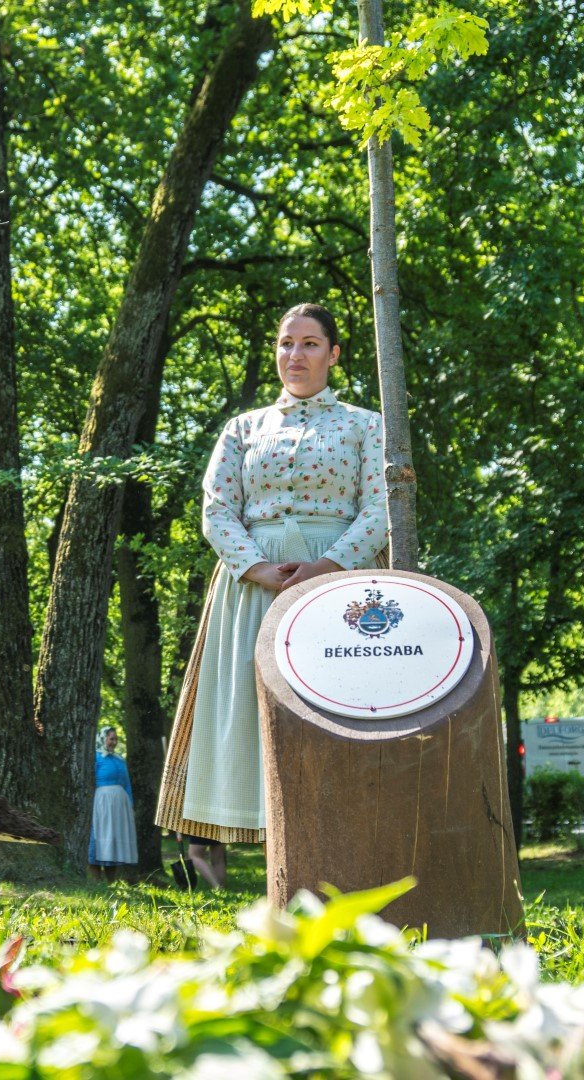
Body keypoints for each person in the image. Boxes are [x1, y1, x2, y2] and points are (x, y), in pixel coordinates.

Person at [156, 303, 388, 848]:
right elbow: (216, 508)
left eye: (309, 344)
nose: (295, 355)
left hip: (339, 586)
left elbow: (380, 508)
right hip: (253, 588)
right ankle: (270, 844)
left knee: (335, 700)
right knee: (255, 702)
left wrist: (326, 566)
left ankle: (342, 838)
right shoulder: (244, 427)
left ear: (333, 354)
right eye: (286, 343)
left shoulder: (365, 425)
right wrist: (259, 568)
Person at [88, 727, 137, 881]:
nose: (114, 742)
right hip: (101, 805)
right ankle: (96, 882)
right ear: (103, 739)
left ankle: (111, 882)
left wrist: (130, 804)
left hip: (119, 808)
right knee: (100, 838)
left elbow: (127, 784)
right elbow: (89, 781)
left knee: (113, 840)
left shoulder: (119, 760)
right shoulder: (96, 758)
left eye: (116, 739)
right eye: (111, 739)